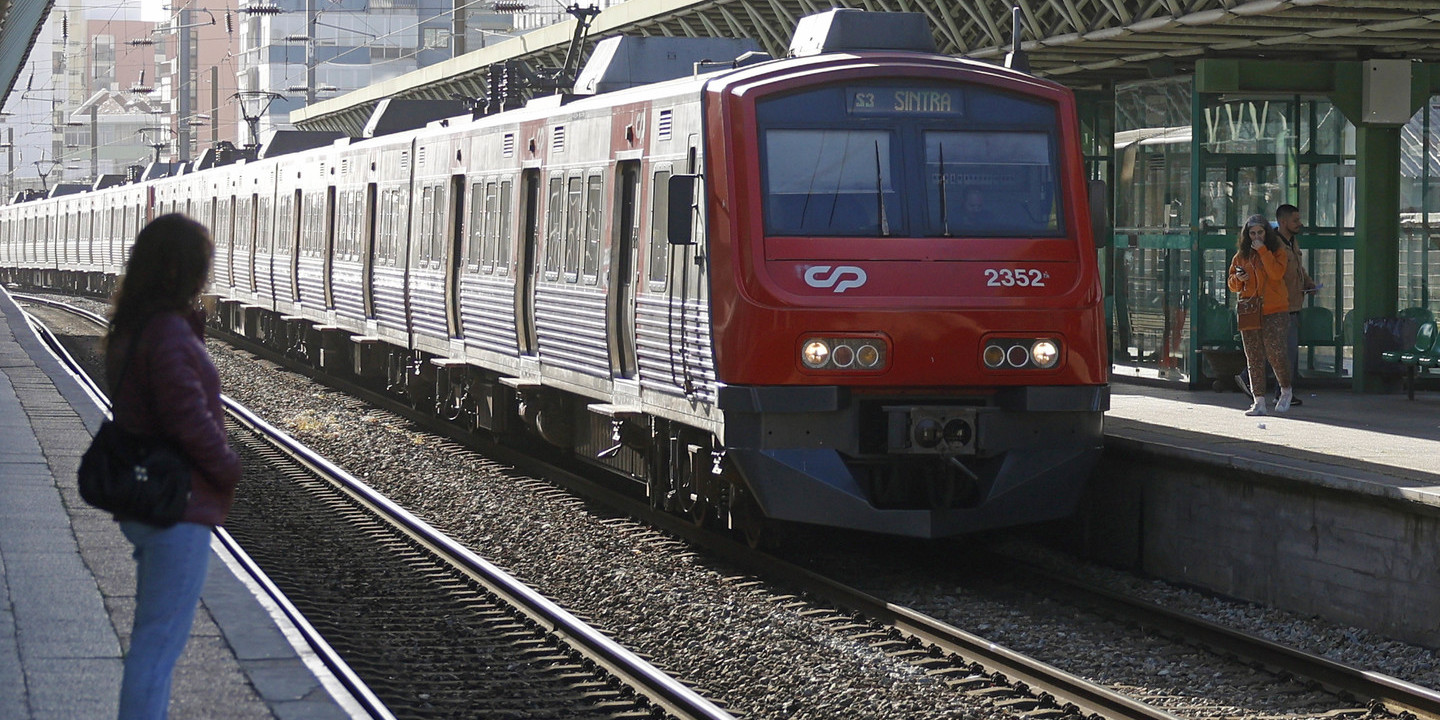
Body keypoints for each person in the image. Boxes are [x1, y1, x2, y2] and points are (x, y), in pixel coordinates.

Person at [105, 213, 242, 720]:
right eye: (202, 263)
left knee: (152, 643)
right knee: (157, 649)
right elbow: (185, 415)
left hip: (152, 497)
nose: (207, 273)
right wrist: (226, 466)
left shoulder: (142, 323)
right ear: (180, 269)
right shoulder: (167, 332)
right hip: (176, 503)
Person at [1227, 214, 1294, 415]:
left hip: (1275, 309)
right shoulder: (1241, 256)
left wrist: (1263, 251)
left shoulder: (1277, 252)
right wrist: (1239, 278)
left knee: (1275, 353)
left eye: (1260, 233)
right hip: (1250, 309)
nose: (1256, 237)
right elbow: (1232, 284)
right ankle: (1259, 401)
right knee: (1253, 356)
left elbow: (1275, 274)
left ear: (1267, 233)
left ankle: (1286, 389)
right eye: (1252, 233)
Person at [1274, 203, 1316, 406]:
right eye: (1295, 220)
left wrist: (1308, 283)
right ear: (1283, 222)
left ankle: (1283, 390)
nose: (1299, 224)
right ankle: (1280, 390)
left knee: (1287, 351)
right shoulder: (1274, 244)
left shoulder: (1292, 242)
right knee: (1283, 351)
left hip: (1294, 304)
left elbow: (1298, 267)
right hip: (1280, 305)